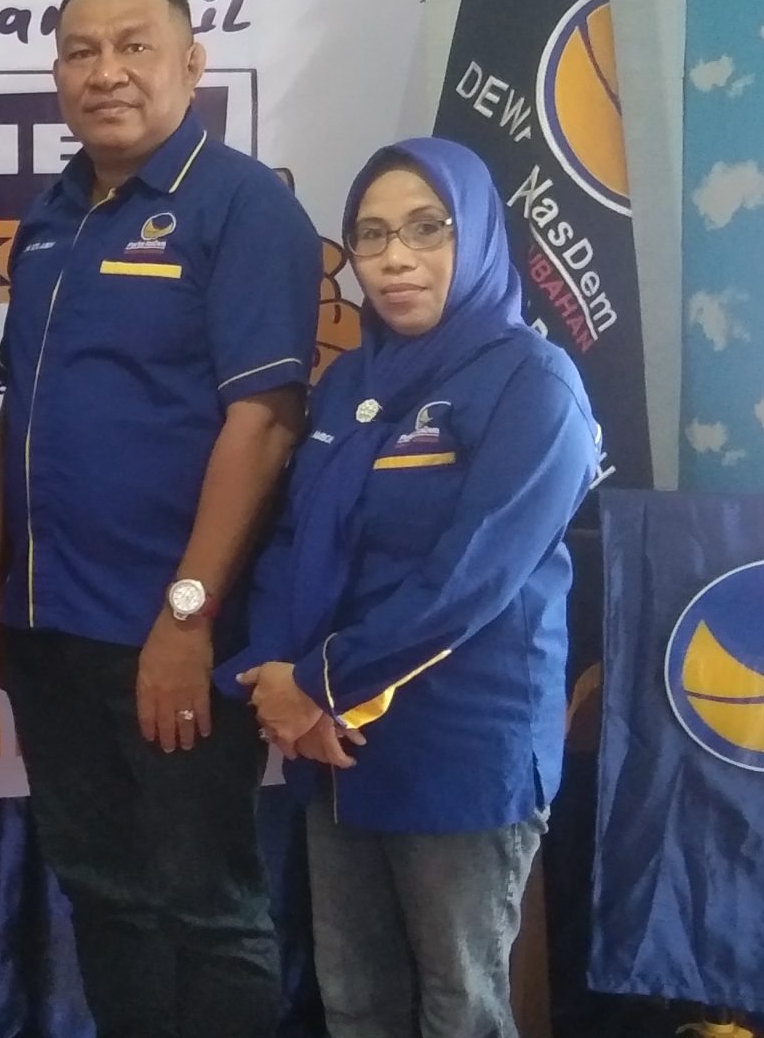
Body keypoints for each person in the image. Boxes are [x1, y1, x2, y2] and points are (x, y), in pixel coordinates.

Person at [0, 0, 318, 1038]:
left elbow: (263, 424)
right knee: (103, 893)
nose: (106, 72)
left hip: (170, 634)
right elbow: (23, 416)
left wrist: (188, 614)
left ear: (191, 64)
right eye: (81, 52)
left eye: (134, 47)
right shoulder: (48, 219)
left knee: (205, 906)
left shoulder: (245, 206)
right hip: (51, 631)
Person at [222, 137, 600, 1038]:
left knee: (458, 1006)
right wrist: (277, 671)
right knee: (357, 999)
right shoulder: (348, 380)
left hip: (458, 743)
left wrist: (318, 683)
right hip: (335, 743)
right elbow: (291, 537)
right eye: (372, 234)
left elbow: (469, 578)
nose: (395, 257)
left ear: (477, 235)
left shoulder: (533, 383)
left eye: (427, 229)